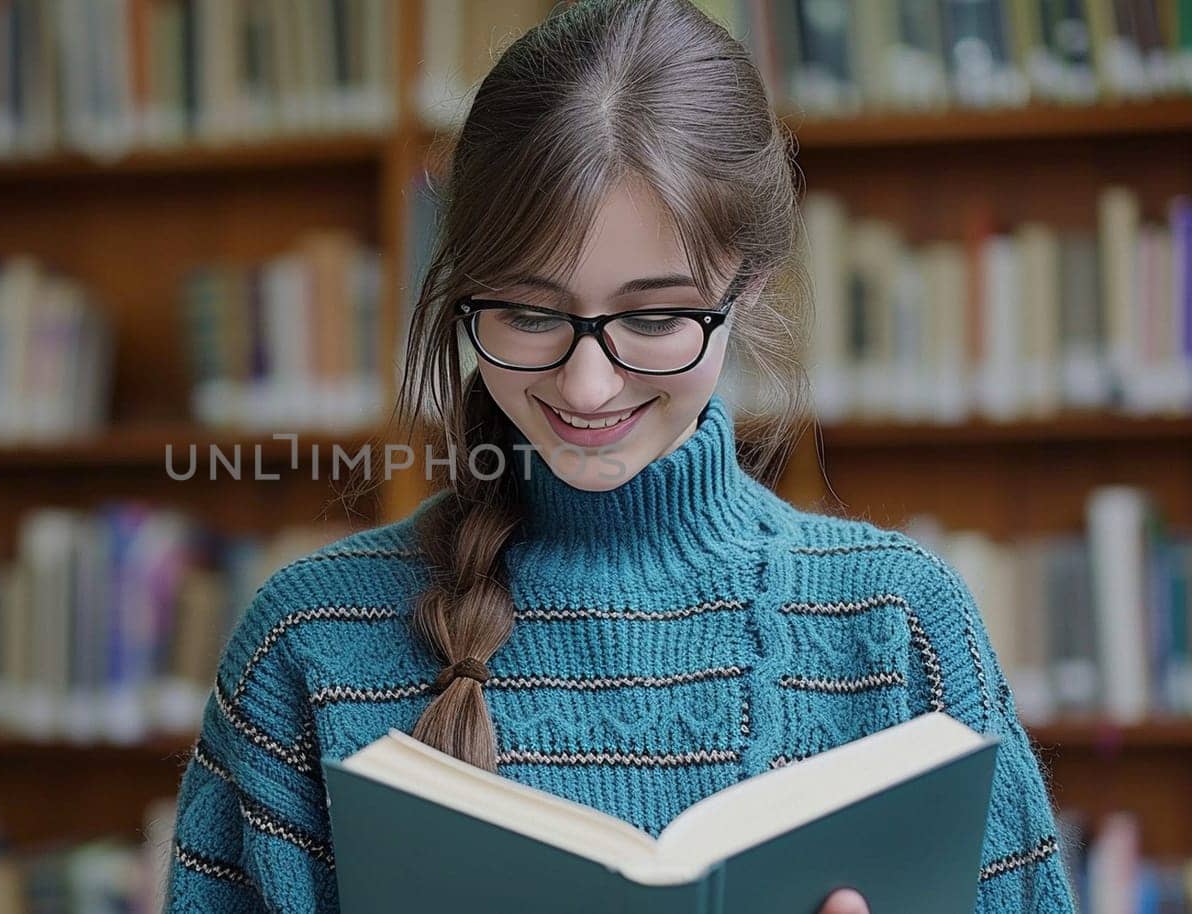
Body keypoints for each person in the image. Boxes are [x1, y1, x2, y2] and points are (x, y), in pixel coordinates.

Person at [163, 1, 1079, 912]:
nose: (590, 387)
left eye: (653, 317)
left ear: (748, 285)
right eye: (528, 313)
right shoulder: (308, 644)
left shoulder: (898, 627)